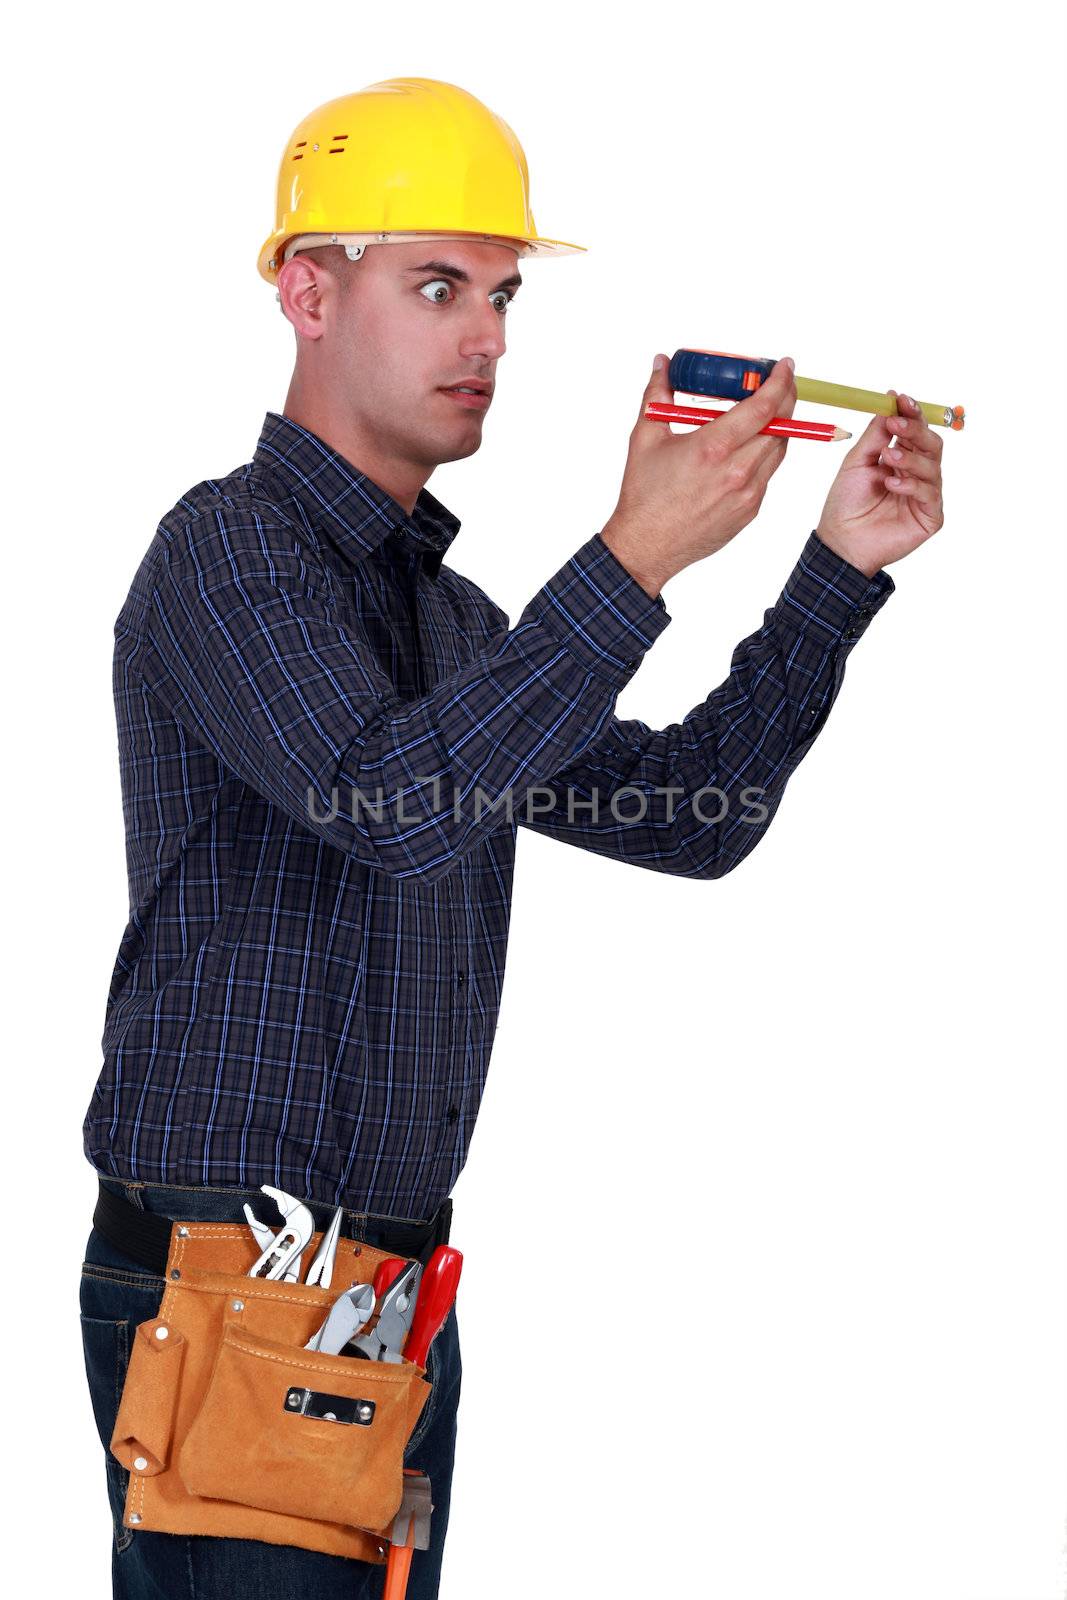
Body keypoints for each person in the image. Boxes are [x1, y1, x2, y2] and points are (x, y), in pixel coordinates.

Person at [78, 76, 945, 1600]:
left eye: (502, 294)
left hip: (391, 1286)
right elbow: (394, 802)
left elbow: (694, 816)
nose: (485, 338)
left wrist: (832, 576)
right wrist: (631, 561)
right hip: (231, 1279)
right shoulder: (226, 553)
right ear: (307, 292)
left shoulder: (452, 621)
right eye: (437, 288)